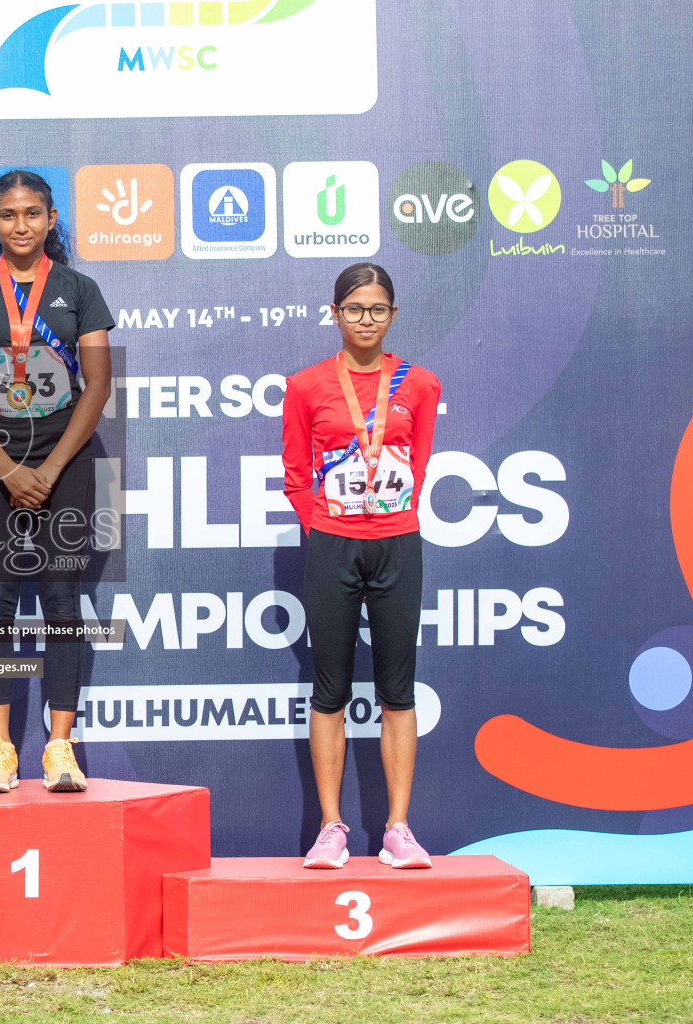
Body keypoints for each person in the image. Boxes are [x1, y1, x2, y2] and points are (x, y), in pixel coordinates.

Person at [0, 169, 114, 793]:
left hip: (66, 463)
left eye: (33, 214)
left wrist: (50, 469)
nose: (21, 226)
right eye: (9, 215)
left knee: (63, 605)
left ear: (50, 219)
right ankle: (0, 749)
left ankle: (59, 748)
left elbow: (97, 386)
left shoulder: (78, 289)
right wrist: (10, 470)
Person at [282, 263, 442, 870]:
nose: (365, 319)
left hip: (398, 541)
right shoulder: (307, 386)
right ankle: (331, 829)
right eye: (354, 309)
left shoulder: (420, 384)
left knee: (398, 689)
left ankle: (399, 829)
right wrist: (326, 523)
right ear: (335, 314)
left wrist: (388, 510)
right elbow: (296, 474)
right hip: (333, 545)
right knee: (331, 689)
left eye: (376, 309)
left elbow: (419, 462)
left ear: (393, 315)